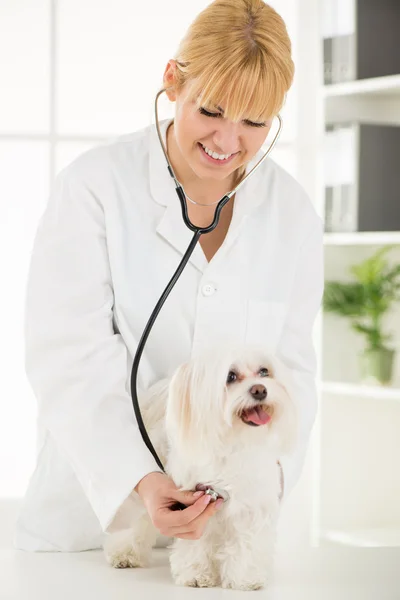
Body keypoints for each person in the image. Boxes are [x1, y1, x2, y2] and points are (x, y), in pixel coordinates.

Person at [14, 0, 323, 553]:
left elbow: (294, 364)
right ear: (172, 81)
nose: (228, 142)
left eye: (254, 122)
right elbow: (69, 355)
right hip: (97, 525)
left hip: (227, 531)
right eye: (212, 110)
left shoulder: (291, 212)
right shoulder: (95, 187)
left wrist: (264, 486)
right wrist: (143, 480)